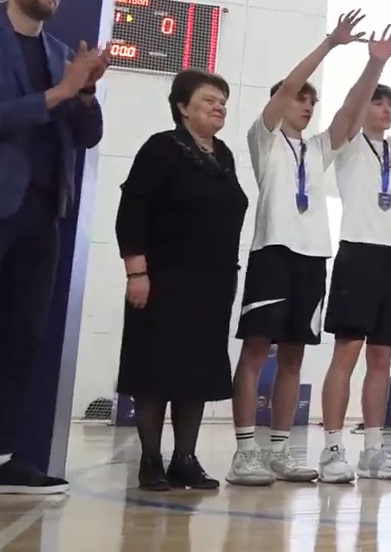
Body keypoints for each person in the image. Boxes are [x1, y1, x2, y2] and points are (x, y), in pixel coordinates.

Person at [226, 10, 391, 487]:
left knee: (293, 357)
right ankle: (245, 452)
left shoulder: (318, 148)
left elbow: (349, 112)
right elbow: (285, 89)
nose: (306, 105)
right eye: (299, 98)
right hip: (273, 253)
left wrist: (375, 63)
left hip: (312, 258)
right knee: (256, 351)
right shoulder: (264, 139)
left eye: (310, 100)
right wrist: (330, 44)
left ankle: (280, 450)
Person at [0, 0, 105, 495]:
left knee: (25, 334)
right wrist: (58, 93)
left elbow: (87, 136)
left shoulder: (61, 54)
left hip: (43, 214)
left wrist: (85, 91)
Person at [315, 21, 391, 484]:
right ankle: (331, 449)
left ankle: (372, 450)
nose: (386, 109)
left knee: (382, 359)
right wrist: (377, 62)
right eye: (378, 102)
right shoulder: (347, 142)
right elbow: (350, 105)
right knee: (346, 354)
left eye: (390, 105)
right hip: (358, 254)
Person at [115, 70, 247, 491]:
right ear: (182, 107)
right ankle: (150, 460)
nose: (219, 106)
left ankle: (184, 459)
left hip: (213, 283)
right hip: (163, 279)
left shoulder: (223, 155)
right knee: (155, 370)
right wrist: (137, 272)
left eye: (222, 101)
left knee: (196, 373)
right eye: (209, 99)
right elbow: (131, 214)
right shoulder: (161, 148)